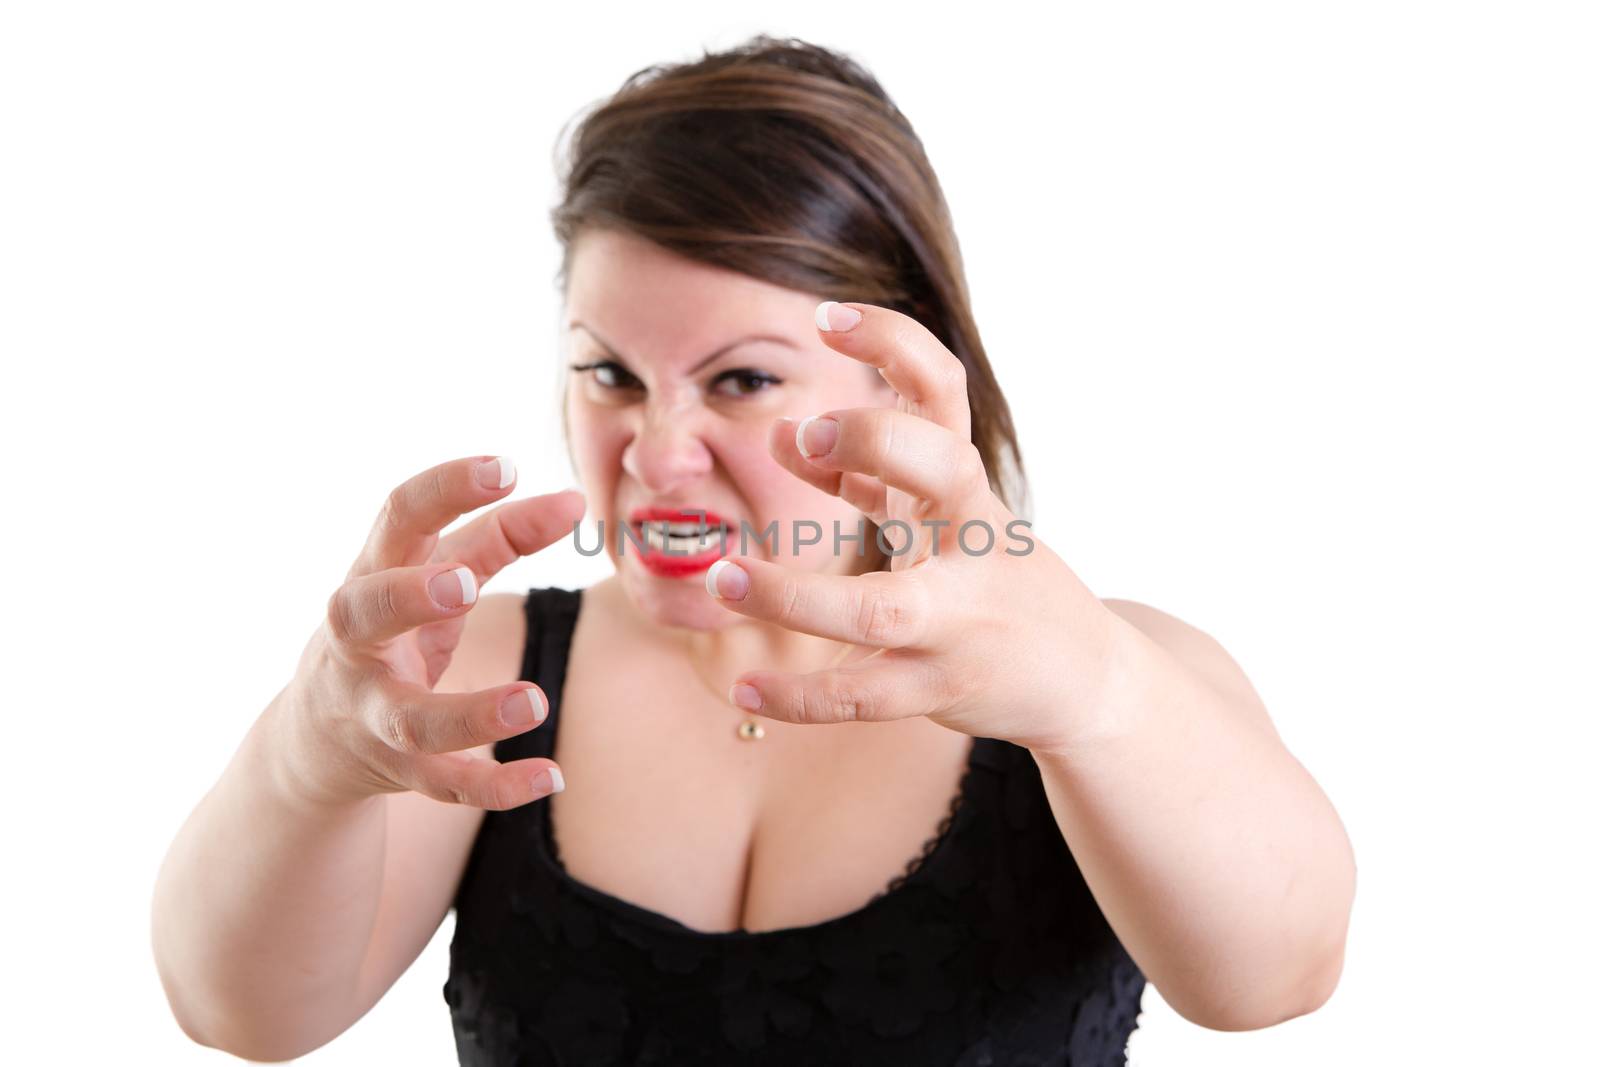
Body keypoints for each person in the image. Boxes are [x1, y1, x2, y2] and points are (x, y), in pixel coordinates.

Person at [151, 35, 1356, 1066]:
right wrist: (307, 761)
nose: (658, 449)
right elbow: (243, 1015)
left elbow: (1275, 977)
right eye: (609, 374)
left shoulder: (1096, 676)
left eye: (740, 379)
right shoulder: (476, 672)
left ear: (894, 373)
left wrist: (1096, 688)